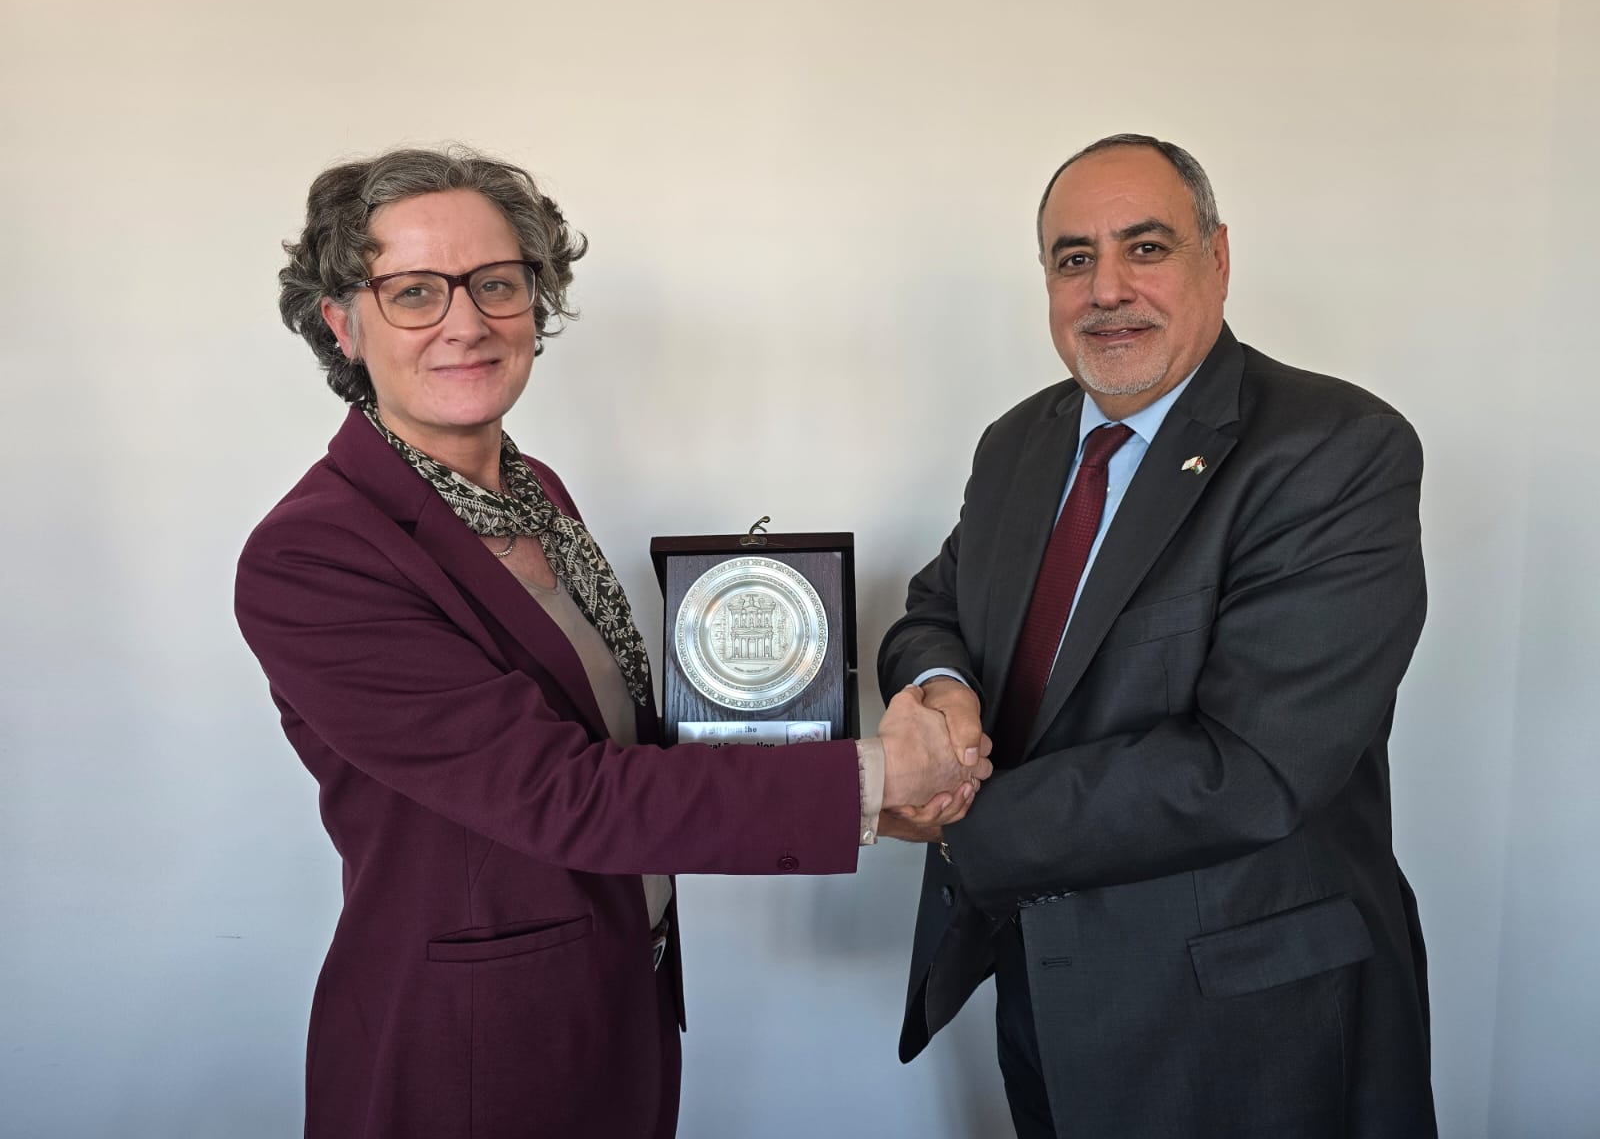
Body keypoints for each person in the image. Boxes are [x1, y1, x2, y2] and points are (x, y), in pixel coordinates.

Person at [234, 146, 991, 1139]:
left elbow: (615, 744)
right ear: (343, 323)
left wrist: (876, 805)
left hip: (618, 997)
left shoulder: (532, 492)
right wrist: (873, 774)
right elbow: (565, 793)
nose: (466, 321)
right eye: (414, 291)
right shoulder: (316, 554)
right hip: (472, 1051)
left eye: (496, 282)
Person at [876, 134, 1435, 1137]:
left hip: (1248, 1024)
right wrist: (943, 688)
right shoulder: (1019, 443)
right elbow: (934, 613)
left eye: (1145, 248)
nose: (1107, 290)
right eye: (1073, 258)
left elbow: (1251, 769)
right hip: (1041, 985)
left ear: (1216, 258)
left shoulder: (1335, 449)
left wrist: (953, 815)